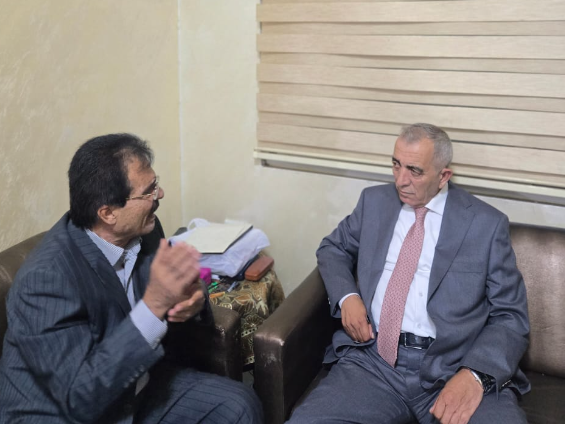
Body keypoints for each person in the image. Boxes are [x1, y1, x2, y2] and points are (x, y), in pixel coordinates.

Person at [0, 133, 263, 424]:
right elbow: (80, 397)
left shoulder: (144, 229)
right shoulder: (45, 281)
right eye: (148, 191)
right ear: (108, 213)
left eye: (155, 183)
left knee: (239, 406)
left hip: (136, 387)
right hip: (70, 413)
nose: (159, 195)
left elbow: (174, 283)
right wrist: (153, 306)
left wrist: (193, 298)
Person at [289, 123, 530, 424]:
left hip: (453, 367)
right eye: (396, 165)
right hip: (374, 363)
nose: (401, 180)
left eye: (415, 171)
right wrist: (347, 297)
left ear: (443, 176)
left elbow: (511, 316)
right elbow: (333, 248)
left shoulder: (485, 224)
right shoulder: (374, 203)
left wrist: (474, 375)